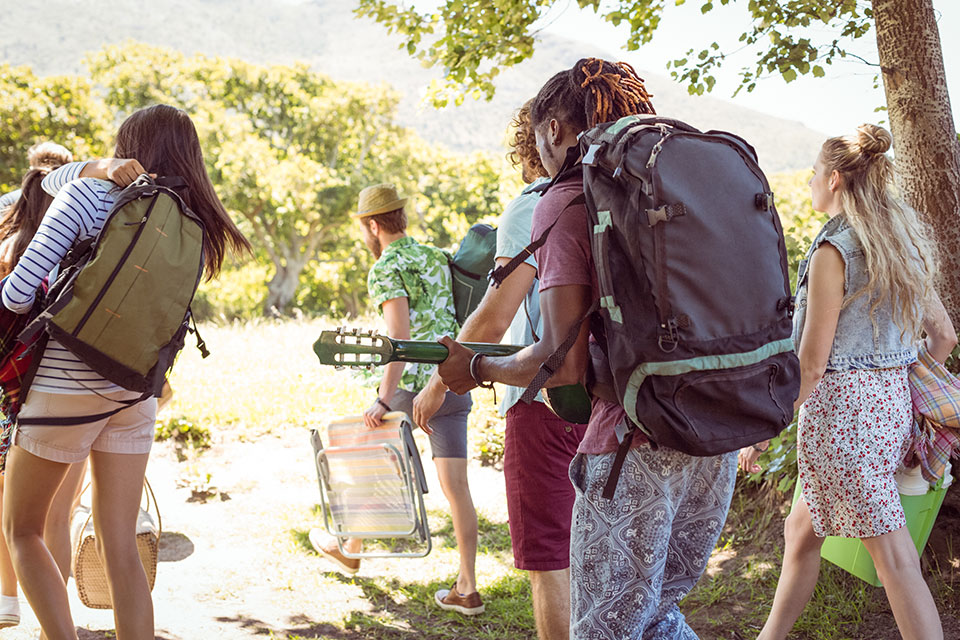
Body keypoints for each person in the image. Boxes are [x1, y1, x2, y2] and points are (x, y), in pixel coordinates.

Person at [437, 57, 737, 639]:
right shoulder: (683, 187)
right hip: (715, 433)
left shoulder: (569, 198)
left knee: (605, 629)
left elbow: (561, 360)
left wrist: (474, 365)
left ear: (552, 129)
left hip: (632, 445)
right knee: (656, 615)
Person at [1, 104, 250, 640]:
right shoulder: (194, 220)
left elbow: (18, 293)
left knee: (23, 530)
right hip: (136, 391)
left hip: (65, 390)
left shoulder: (88, 195)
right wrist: (93, 165)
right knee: (120, 543)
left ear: (127, 145)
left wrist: (92, 169)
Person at [738, 124, 955, 640]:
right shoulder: (901, 245)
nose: (811, 181)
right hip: (890, 411)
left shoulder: (834, 250)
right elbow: (943, 336)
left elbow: (811, 365)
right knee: (800, 534)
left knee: (896, 561)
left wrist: (766, 427)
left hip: (840, 421)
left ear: (834, 179)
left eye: (814, 173)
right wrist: (892, 380)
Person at [412, 100, 584, 640]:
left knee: (551, 558)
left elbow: (494, 313)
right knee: (602, 555)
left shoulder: (535, 203)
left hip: (545, 401)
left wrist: (441, 380)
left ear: (540, 139)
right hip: (617, 401)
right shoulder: (618, 196)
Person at [309, 183, 483, 615]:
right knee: (456, 488)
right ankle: (468, 587)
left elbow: (398, 339)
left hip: (413, 386)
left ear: (372, 225)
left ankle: (350, 545)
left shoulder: (386, 266)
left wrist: (384, 400)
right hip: (452, 379)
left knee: (366, 448)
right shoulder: (437, 255)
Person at [0, 141, 86, 632]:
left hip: (8, 386)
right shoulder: (83, 222)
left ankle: (8, 600)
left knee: (12, 513)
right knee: (58, 515)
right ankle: (57, 622)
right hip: (63, 383)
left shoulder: (7, 221)